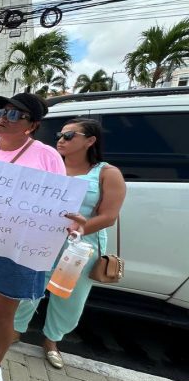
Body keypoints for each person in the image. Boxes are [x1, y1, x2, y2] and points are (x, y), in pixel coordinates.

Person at [0, 93, 83, 381]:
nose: (3, 118)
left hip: (19, 246)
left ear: (32, 125)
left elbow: (59, 202)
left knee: (4, 309)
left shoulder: (46, 156)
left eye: (14, 115)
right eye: (2, 112)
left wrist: (68, 220)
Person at [14, 118, 126, 368]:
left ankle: (52, 341)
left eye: (69, 136)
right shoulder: (52, 166)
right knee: (29, 286)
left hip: (80, 245)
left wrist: (82, 225)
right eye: (59, 135)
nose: (60, 140)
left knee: (69, 295)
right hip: (44, 238)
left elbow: (109, 216)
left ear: (90, 140)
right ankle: (15, 330)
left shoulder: (107, 173)